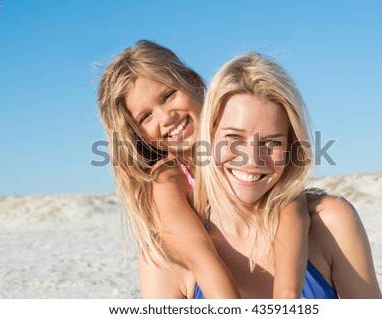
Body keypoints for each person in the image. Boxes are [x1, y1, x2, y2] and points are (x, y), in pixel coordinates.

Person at [97, 40, 310, 298]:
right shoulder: (169, 178)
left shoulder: (240, 132)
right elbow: (202, 258)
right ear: (139, 135)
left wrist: (287, 297)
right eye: (146, 117)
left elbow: (289, 198)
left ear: (194, 83)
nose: (166, 117)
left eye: (168, 96)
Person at [193, 52, 382, 298]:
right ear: (210, 134)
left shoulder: (331, 224)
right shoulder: (172, 252)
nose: (252, 160)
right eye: (234, 137)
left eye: (271, 142)